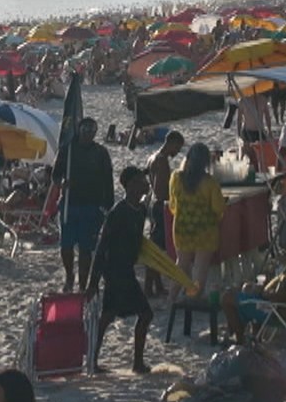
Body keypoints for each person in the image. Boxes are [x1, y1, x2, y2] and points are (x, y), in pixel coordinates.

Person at [87, 167, 153, 374]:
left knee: (111, 316)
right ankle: (98, 361)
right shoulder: (118, 213)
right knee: (139, 314)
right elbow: (102, 247)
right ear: (130, 185)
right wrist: (93, 282)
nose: (146, 183)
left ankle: (98, 361)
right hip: (115, 271)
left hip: (126, 270)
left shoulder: (140, 210)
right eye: (141, 180)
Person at [220, 226, 286, 343]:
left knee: (227, 298)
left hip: (274, 311)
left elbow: (278, 296)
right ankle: (252, 335)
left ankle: (240, 339)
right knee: (244, 290)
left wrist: (262, 292)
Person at [53, 117, 113, 294]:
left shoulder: (101, 152)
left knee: (86, 248)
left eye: (92, 131)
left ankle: (83, 284)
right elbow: (55, 175)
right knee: (66, 246)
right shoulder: (67, 150)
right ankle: (69, 276)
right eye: (85, 130)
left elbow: (108, 180)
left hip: (92, 206)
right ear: (79, 130)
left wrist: (108, 206)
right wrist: (62, 183)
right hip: (70, 205)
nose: (88, 134)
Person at [169, 143, 225, 295]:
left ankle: (171, 297)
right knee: (200, 268)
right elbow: (219, 208)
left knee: (181, 265)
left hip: (182, 228)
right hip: (205, 230)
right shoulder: (210, 183)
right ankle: (194, 298)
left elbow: (173, 205)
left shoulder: (176, 178)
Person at [144, 130, 185, 297]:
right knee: (158, 250)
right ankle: (149, 287)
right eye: (178, 148)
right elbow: (162, 191)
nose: (177, 152)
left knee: (156, 247)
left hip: (153, 204)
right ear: (172, 143)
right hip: (160, 205)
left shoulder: (153, 157)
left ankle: (157, 285)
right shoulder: (161, 161)